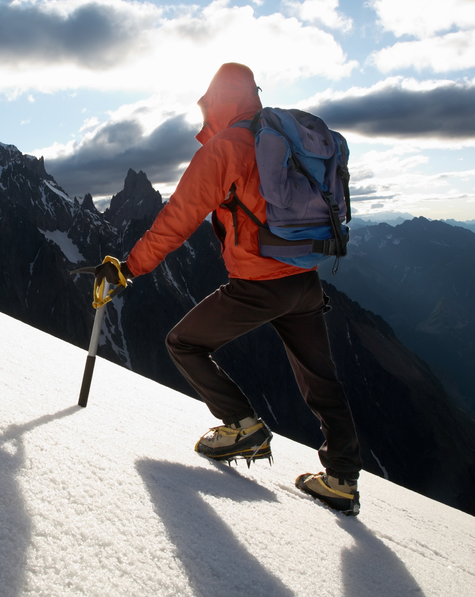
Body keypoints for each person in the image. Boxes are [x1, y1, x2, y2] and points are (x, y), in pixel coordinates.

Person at [93, 62, 363, 515]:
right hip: (304, 277)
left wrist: (129, 268)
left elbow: (176, 219)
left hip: (260, 283)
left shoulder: (226, 148)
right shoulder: (278, 135)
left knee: (183, 343)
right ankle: (342, 479)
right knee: (321, 379)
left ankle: (241, 425)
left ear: (216, 101)